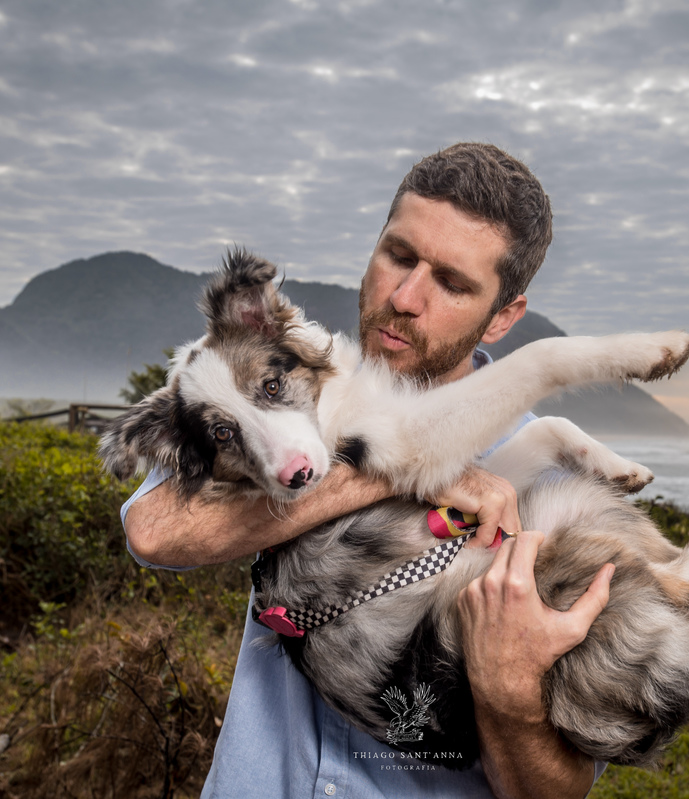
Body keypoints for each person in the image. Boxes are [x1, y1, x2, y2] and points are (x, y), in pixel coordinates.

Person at [122, 143, 616, 798]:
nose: (406, 296)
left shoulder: (554, 481)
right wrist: (398, 466)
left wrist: (509, 698)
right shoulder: (283, 396)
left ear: (503, 316)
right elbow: (155, 530)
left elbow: (558, 788)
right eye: (399, 255)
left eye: (452, 283)